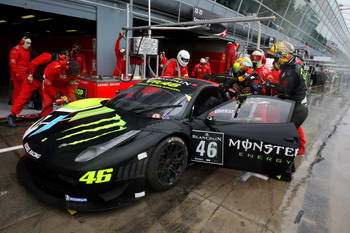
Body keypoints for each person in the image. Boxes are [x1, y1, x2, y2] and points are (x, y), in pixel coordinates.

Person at [7, 51, 71, 128]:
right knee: (23, 97)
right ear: (60, 55)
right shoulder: (48, 56)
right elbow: (33, 63)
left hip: (43, 81)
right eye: (65, 58)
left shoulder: (60, 63)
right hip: (33, 79)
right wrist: (30, 74)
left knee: (48, 99)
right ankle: (12, 115)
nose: (65, 61)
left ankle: (45, 118)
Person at [267, 41, 308, 154]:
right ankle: (299, 147)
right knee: (293, 128)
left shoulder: (291, 71)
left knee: (287, 131)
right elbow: (284, 86)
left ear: (283, 56)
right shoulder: (292, 68)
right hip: (296, 106)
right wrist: (270, 85)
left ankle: (296, 152)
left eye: (276, 58)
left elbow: (285, 93)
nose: (274, 61)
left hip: (297, 108)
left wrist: (273, 93)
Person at [9, 36, 32, 105]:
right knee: (18, 88)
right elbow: (13, 63)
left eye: (30, 43)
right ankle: (15, 102)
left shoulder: (27, 51)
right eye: (27, 43)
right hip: (17, 71)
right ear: (22, 42)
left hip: (25, 72)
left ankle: (21, 101)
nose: (29, 45)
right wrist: (17, 73)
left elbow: (27, 62)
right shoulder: (15, 50)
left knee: (24, 88)